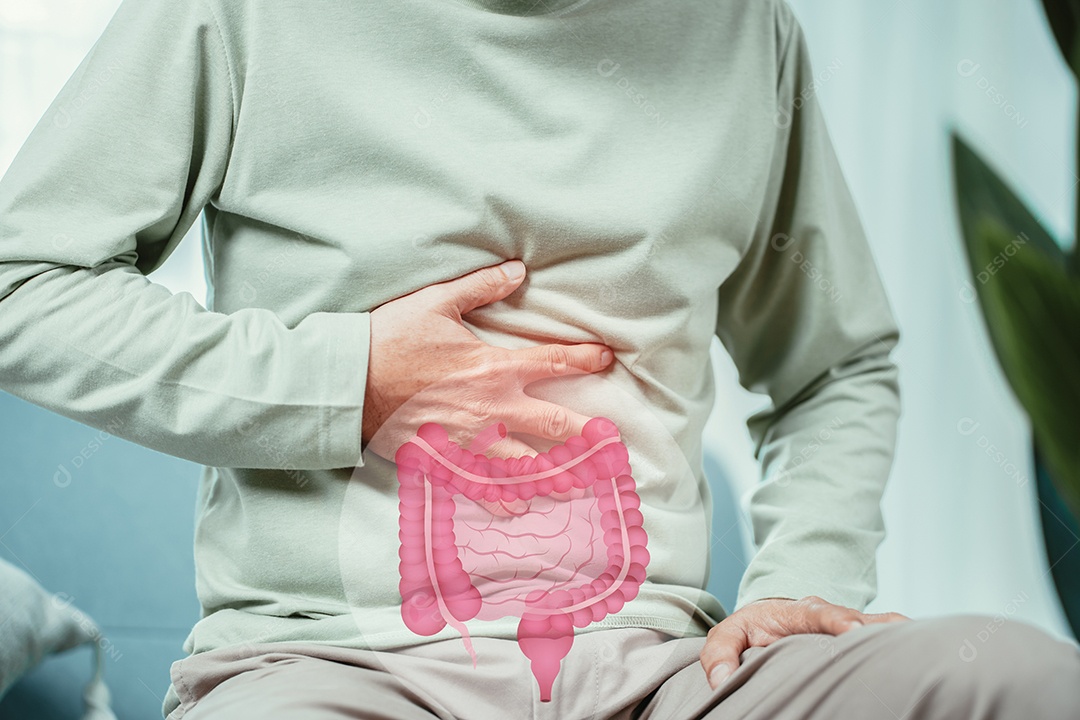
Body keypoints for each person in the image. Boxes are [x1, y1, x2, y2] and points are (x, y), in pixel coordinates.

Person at [0, 0, 1077, 717]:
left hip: (668, 673)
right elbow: (22, 287)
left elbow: (834, 366)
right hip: (330, 668)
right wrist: (351, 380)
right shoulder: (240, 15)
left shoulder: (743, 29)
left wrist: (805, 578)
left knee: (1025, 682)